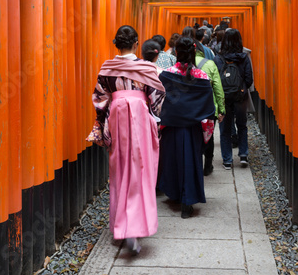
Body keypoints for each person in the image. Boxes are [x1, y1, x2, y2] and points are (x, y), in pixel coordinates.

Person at [89, 25, 166, 255]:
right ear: (136, 43)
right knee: (141, 169)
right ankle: (134, 227)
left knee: (119, 170)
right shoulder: (147, 68)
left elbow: (100, 99)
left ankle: (121, 225)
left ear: (117, 44)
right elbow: (157, 97)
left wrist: (102, 123)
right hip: (140, 116)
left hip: (117, 116)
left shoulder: (107, 68)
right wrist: (154, 117)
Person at [157, 37, 215, 219]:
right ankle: (187, 200)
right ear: (194, 53)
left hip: (172, 128)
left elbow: (159, 104)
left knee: (172, 161)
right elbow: (208, 109)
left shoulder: (166, 75)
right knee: (191, 162)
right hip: (193, 129)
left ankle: (174, 193)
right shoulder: (202, 77)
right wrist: (207, 131)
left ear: (176, 53)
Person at [213, 28, 253, 170]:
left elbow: (215, 79)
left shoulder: (218, 58)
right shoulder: (244, 57)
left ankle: (228, 160)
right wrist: (241, 88)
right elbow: (249, 79)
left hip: (224, 97)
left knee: (225, 129)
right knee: (242, 126)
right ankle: (243, 155)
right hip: (240, 97)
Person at [195, 39, 225, 176]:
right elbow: (218, 88)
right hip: (208, 107)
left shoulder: (181, 65)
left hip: (190, 108)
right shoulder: (210, 64)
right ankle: (208, 165)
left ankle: (194, 164)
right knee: (209, 136)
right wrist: (221, 109)